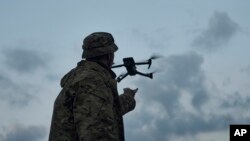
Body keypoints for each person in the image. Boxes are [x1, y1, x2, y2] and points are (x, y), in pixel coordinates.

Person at [49, 32, 138, 141]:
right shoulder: (92, 82)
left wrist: (128, 98)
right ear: (109, 56)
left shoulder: (81, 78)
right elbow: (98, 133)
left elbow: (104, 110)